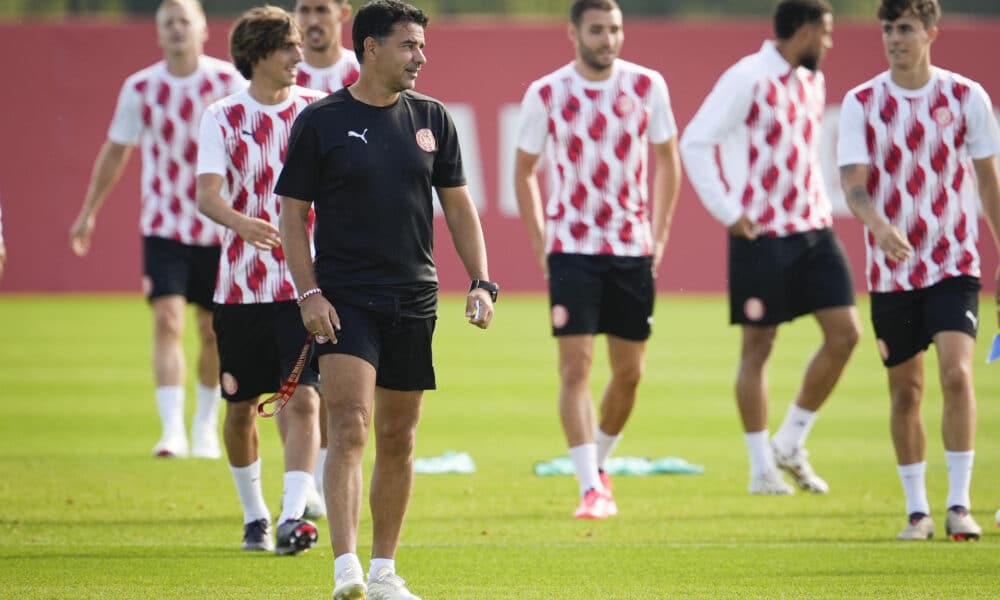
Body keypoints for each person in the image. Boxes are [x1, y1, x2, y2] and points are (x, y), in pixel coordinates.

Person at [276, 1, 495, 596]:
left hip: (414, 298)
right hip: (345, 298)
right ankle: (345, 569)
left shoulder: (433, 118)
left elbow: (457, 205)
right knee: (349, 424)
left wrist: (480, 279)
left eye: (422, 46)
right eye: (409, 45)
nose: (420, 57)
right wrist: (309, 291)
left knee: (400, 437)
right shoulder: (320, 120)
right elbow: (293, 213)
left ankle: (382, 573)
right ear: (371, 47)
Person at [680, 0, 861, 495]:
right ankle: (761, 467)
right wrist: (727, 211)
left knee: (846, 334)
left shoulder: (811, 79)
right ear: (802, 30)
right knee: (758, 347)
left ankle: (791, 440)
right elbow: (695, 141)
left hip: (815, 228)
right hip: (760, 234)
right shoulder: (748, 77)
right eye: (825, 32)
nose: (829, 42)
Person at [837, 0, 1000, 541]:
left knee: (957, 373)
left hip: (954, 261)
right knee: (906, 390)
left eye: (905, 28)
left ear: (932, 32)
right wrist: (878, 226)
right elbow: (854, 185)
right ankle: (916, 510)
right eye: (887, 28)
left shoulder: (965, 96)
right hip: (893, 270)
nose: (894, 38)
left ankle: (958, 504)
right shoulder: (863, 102)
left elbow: (988, 184)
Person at [512, 0, 681, 520]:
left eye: (615, 29)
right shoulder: (546, 92)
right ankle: (589, 486)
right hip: (572, 248)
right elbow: (523, 172)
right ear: (574, 33)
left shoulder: (648, 85)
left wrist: (659, 234)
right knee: (576, 367)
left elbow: (668, 161)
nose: (608, 39)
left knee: (629, 374)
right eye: (597, 30)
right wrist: (542, 244)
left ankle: (598, 466)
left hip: (631, 248)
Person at [69, 0, 245, 459]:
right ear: (158, 32)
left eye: (185, 21)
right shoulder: (142, 87)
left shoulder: (228, 82)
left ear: (204, 28)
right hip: (164, 224)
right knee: (167, 319)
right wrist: (89, 210)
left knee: (211, 330)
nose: (177, 30)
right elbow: (116, 151)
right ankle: (171, 432)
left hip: (218, 224)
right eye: (168, 23)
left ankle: (205, 424)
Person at [196, 5, 325, 556]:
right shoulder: (222, 115)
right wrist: (240, 221)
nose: (300, 55)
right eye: (287, 47)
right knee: (241, 406)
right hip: (240, 289)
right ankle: (255, 516)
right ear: (257, 55)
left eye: (299, 45)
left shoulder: (316, 111)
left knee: (305, 401)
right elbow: (207, 194)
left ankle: (295, 514)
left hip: (303, 287)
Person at [286, 0, 362, 520]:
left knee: (340, 384)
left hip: (345, 252)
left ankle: (318, 480)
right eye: (303, 8)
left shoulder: (366, 70)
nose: (311, 19)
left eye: (321, 8)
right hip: (288, 248)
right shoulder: (277, 69)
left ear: (342, 12)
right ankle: (304, 483)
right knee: (291, 376)